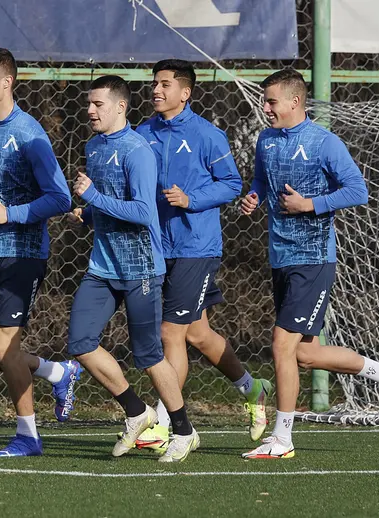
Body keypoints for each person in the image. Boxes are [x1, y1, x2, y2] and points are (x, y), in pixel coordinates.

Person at [240, 69, 379, 459]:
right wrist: (254, 196)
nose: (266, 107)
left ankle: (282, 438)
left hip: (313, 258)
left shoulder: (323, 142)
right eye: (265, 101)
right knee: (305, 354)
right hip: (280, 257)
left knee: (281, 345)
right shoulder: (266, 139)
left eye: (271, 101)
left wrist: (309, 204)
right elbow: (261, 182)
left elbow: (358, 190)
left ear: (295, 102)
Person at [131, 59, 271, 452]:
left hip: (196, 247)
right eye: (154, 83)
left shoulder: (208, 135)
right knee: (197, 333)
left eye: (164, 84)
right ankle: (252, 387)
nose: (156, 90)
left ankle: (166, 421)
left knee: (169, 333)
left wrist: (191, 200)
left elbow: (231, 184)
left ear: (185, 92)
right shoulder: (142, 133)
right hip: (156, 247)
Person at [0, 48, 82, 457]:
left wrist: (9, 213)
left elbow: (60, 198)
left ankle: (28, 436)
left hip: (23, 251)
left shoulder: (30, 133)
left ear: (7, 82)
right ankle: (57, 371)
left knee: (5, 345)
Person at [67, 75, 198, 463]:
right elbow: (109, 204)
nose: (90, 111)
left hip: (141, 269)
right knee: (80, 343)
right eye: (89, 104)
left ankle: (184, 431)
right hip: (102, 267)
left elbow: (143, 211)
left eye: (98, 105)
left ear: (121, 107)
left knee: (149, 356)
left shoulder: (138, 150)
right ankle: (137, 412)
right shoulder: (94, 146)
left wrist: (93, 196)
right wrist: (88, 214)